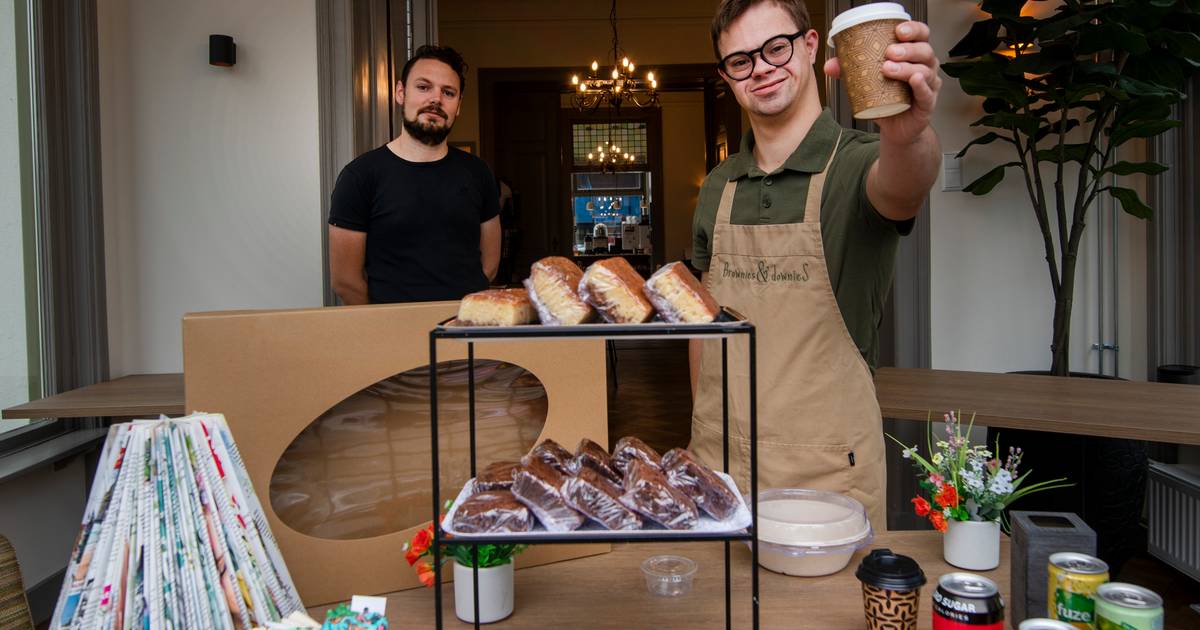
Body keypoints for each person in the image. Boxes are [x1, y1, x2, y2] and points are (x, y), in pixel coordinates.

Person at [689, 0, 942, 529]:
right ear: (727, 77)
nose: (760, 67)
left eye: (775, 48)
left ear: (809, 46)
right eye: (740, 60)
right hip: (719, 470)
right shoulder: (719, 185)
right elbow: (701, 322)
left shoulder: (857, 163)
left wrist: (909, 133)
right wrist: (703, 434)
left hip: (827, 476)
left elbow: (904, 186)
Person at [328, 45, 501, 304]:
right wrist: (386, 325)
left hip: (463, 331)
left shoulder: (478, 172)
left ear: (458, 105)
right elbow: (345, 281)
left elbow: (489, 265)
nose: (436, 99)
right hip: (391, 334)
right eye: (423, 87)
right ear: (400, 93)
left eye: (448, 92)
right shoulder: (360, 176)